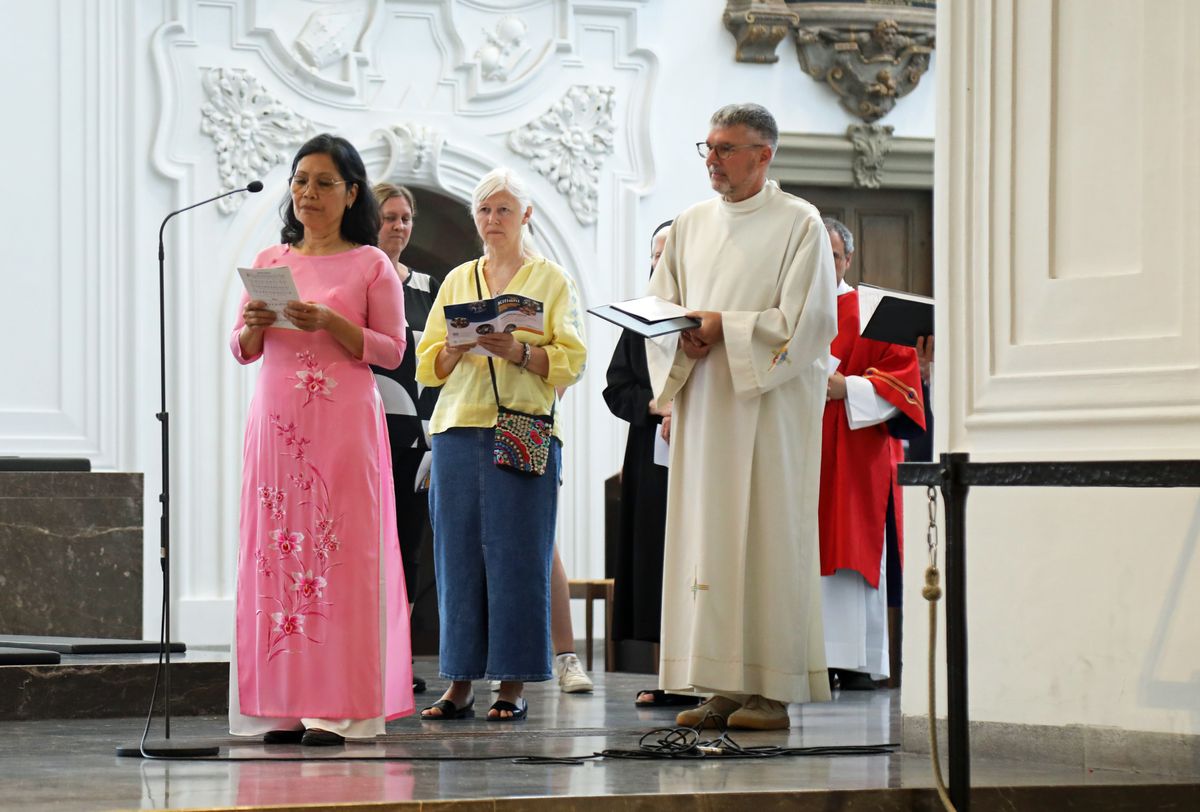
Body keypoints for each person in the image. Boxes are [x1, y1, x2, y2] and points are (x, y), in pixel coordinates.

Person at [644, 103, 837, 730]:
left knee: (767, 535)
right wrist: (682, 338)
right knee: (709, 536)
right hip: (705, 402)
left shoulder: (799, 223)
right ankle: (722, 683)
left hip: (769, 408)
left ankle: (772, 693)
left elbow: (809, 323)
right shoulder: (691, 225)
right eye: (707, 147)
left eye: (727, 149)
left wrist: (724, 326)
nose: (713, 161)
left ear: (764, 155)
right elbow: (662, 306)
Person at [229, 133, 413, 746]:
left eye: (323, 182)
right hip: (277, 427)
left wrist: (332, 320)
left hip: (341, 429)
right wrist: (254, 326)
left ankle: (340, 708)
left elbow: (392, 350)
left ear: (351, 192)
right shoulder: (271, 260)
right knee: (277, 553)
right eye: (300, 179)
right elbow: (242, 349)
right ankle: (285, 704)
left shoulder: (370, 264)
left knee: (341, 554)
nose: (307, 192)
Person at [416, 167, 587, 721]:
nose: (493, 220)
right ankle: (459, 683)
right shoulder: (458, 280)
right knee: (457, 556)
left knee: (519, 558)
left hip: (525, 424)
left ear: (526, 216)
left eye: (505, 210)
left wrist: (517, 352)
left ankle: (513, 685)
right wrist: (460, 348)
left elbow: (574, 358)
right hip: (458, 428)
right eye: (485, 210)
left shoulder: (551, 279)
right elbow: (428, 362)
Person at [818, 216, 925, 690]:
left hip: (855, 458)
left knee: (850, 550)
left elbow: (903, 381)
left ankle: (856, 661)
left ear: (847, 259)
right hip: (800, 454)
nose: (823, 265)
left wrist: (849, 388)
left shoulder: (871, 312)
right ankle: (801, 658)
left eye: (832, 256)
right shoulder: (782, 312)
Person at [604, 220, 699, 708]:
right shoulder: (637, 321)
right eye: (654, 255)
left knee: (697, 560)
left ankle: (704, 674)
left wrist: (685, 408)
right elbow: (615, 389)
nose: (660, 264)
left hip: (704, 452)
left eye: (669, 255)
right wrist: (657, 405)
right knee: (659, 559)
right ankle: (667, 673)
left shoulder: (706, 317)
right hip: (651, 457)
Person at [369, 182, 440, 695]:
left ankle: (396, 656)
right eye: (389, 217)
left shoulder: (429, 289)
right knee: (364, 541)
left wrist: (437, 435)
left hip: (416, 433)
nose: (398, 226)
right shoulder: (356, 277)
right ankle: (361, 653)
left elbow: (439, 364)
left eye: (405, 218)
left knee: (406, 543)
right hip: (364, 427)